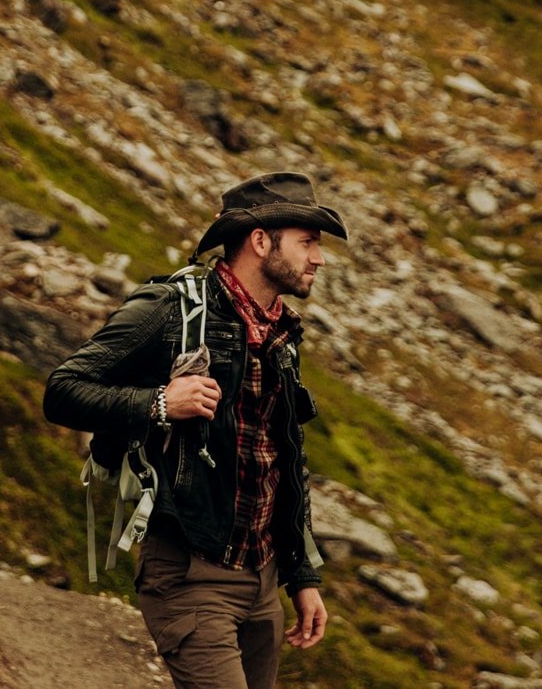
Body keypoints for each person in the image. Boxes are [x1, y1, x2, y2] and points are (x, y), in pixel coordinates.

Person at [44, 170, 347, 689]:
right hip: (190, 574)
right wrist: (160, 402)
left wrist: (301, 574)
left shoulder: (280, 330)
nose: (318, 258)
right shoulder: (171, 309)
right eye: (308, 243)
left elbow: (284, 459)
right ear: (259, 241)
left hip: (263, 579)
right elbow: (63, 390)